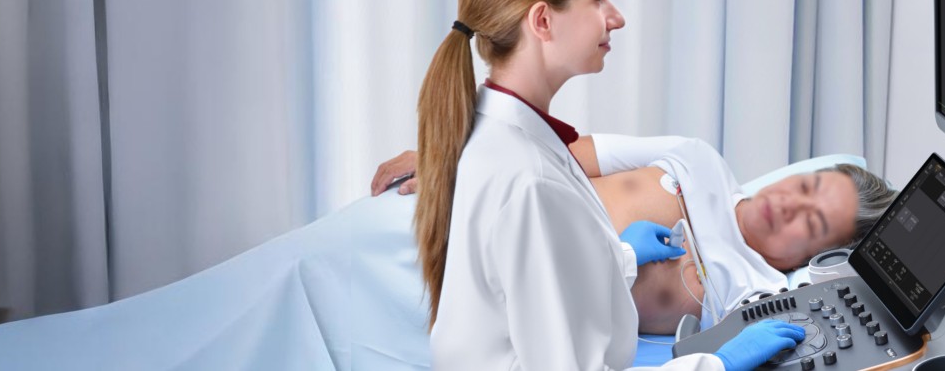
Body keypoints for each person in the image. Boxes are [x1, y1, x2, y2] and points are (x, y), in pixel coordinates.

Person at [407, 0, 803, 370]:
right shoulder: (531, 180)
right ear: (542, 21)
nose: (616, 17)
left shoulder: (502, 133)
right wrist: (718, 364)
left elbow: (528, 284)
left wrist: (621, 257)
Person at [374, 133, 896, 335]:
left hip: (477, 291)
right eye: (805, 186)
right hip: (454, 208)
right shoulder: (698, 159)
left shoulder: (754, 296)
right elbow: (562, 155)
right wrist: (451, 161)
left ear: (817, 257)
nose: (788, 204)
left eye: (811, 221)